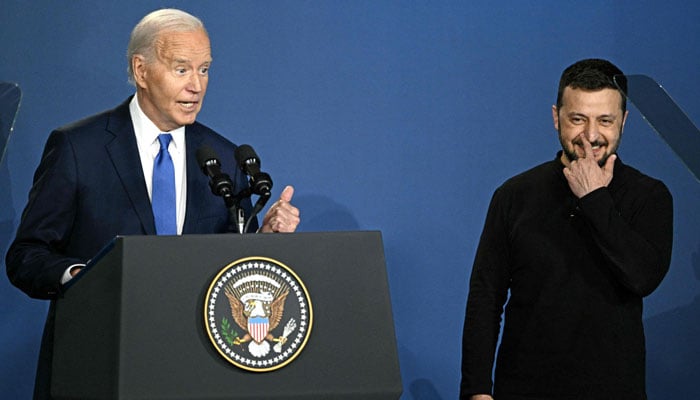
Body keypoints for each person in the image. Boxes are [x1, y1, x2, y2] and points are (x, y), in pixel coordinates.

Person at [5, 9, 300, 400]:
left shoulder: (224, 159)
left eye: (205, 69)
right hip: (98, 364)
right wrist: (80, 277)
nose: (197, 85)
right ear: (141, 71)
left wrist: (263, 240)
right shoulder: (79, 148)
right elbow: (26, 255)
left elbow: (229, 268)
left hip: (194, 370)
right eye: (182, 70)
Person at [460, 58, 673, 400]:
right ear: (556, 117)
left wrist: (594, 198)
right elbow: (485, 297)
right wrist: (476, 390)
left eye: (605, 120)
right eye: (578, 119)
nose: (591, 136)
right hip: (524, 387)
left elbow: (642, 278)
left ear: (624, 121)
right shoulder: (514, 195)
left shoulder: (650, 196)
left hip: (614, 389)